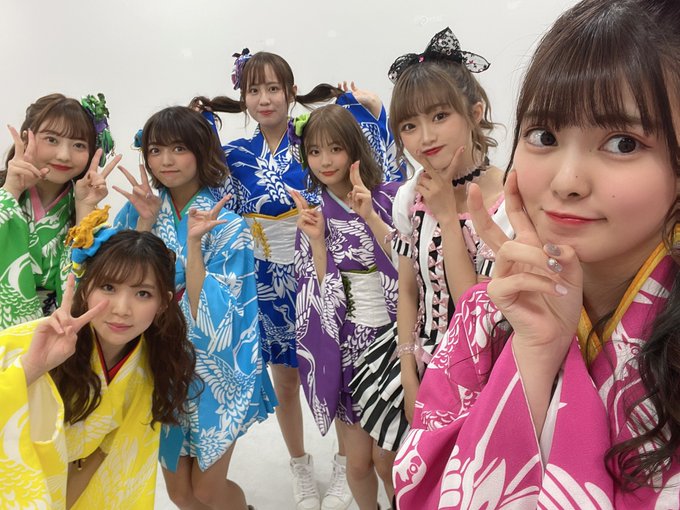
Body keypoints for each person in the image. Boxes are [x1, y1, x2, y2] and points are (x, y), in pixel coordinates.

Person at [393, 1, 680, 508]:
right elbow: (422, 484)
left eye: (623, 143)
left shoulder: (495, 207)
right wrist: (533, 355)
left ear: (474, 115)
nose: (566, 182)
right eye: (544, 136)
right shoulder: (486, 311)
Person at [194, 50, 404, 510]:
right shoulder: (235, 155)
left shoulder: (315, 137)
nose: (264, 99)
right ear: (243, 98)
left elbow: (380, 173)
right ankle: (299, 464)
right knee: (287, 381)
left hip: (327, 268)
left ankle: (347, 464)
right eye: (254, 90)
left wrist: (375, 114)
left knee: (340, 370)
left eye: (274, 88)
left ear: (291, 92)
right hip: (267, 278)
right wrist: (198, 126)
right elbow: (206, 193)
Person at [351, 27, 508, 465]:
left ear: (475, 112)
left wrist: (447, 217)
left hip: (484, 369)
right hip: (417, 352)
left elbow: (472, 307)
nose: (425, 138)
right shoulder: (409, 196)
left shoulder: (508, 201)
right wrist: (408, 375)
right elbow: (408, 288)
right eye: (409, 125)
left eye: (440, 116)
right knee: (391, 463)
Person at [114, 106, 275, 510]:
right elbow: (116, 282)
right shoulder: (139, 210)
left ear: (201, 153)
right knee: (180, 493)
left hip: (216, 370)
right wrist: (144, 225)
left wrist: (194, 246)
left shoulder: (228, 225)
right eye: (156, 150)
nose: (165, 160)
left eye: (179, 148)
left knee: (206, 489)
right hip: (158, 364)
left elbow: (218, 313)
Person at [0, 217, 196, 509]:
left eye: (143, 293)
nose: (122, 309)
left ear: (164, 303)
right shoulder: (34, 341)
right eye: (108, 287)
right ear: (85, 288)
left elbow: (110, 456)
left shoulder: (152, 363)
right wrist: (31, 369)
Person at [289, 104, 400, 510]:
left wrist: (369, 215)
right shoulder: (313, 216)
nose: (325, 161)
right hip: (347, 343)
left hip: (394, 338)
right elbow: (314, 292)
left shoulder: (390, 197)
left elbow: (410, 265)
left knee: (388, 458)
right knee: (357, 461)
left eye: (335, 148)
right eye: (315, 151)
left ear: (354, 148)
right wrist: (318, 241)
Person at [0, 93, 120, 329]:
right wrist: (10, 191)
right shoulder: (4, 191)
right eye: (51, 139)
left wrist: (85, 209)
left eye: (78, 145)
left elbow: (89, 289)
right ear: (26, 138)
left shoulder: (85, 207)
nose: (64, 155)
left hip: (57, 333)